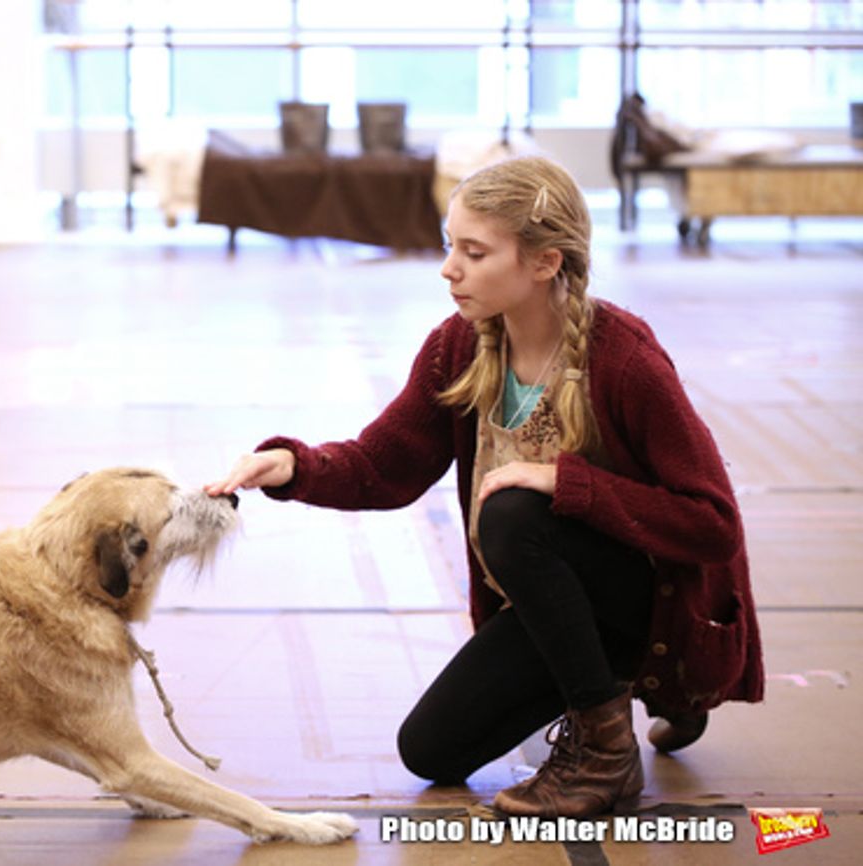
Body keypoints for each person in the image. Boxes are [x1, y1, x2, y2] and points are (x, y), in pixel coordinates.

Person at [206, 156, 762, 819]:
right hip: (557, 599)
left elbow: (712, 524)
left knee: (512, 514)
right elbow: (386, 465)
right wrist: (294, 468)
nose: (449, 269)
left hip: (648, 601)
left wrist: (566, 483)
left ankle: (612, 747)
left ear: (544, 262)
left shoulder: (625, 359)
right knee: (430, 752)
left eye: (474, 252)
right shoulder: (459, 347)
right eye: (450, 247)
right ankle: (627, 679)